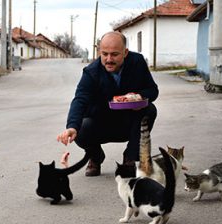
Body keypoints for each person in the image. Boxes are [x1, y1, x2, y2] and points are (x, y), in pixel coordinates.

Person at [57, 31, 158, 176]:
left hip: (129, 123)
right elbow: (80, 99)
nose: (109, 59)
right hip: (101, 123)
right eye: (104, 54)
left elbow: (153, 90)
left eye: (115, 54)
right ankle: (95, 157)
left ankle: (130, 158)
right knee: (80, 128)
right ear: (99, 52)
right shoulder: (91, 72)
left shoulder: (137, 62)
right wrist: (72, 126)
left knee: (150, 109)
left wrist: (140, 97)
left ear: (125, 52)